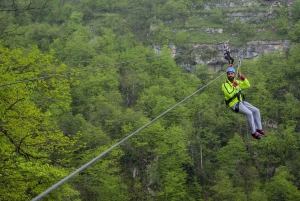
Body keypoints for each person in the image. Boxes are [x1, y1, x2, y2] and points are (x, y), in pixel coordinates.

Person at [221, 67, 267, 140]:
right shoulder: (225, 85)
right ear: (227, 75)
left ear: (234, 75)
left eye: (231, 74)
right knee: (249, 113)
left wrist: (242, 77)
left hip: (241, 102)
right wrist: (235, 86)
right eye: (229, 74)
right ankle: (253, 132)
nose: (230, 75)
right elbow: (229, 94)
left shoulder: (236, 82)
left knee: (256, 110)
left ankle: (259, 129)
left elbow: (247, 85)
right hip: (234, 104)